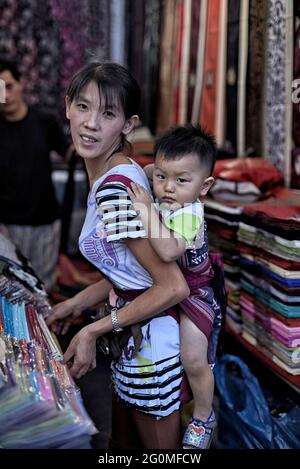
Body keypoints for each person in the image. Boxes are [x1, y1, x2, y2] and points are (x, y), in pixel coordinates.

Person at [46, 61, 190, 449]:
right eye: (83, 106)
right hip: (137, 341)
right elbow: (130, 272)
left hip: (154, 348)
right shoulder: (120, 170)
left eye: (107, 113)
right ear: (67, 106)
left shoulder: (113, 190)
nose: (90, 123)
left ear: (128, 124)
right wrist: (76, 302)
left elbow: (171, 286)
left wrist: (93, 327)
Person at [127, 124, 221, 449]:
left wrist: (144, 208)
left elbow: (168, 250)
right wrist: (153, 171)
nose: (168, 187)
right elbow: (154, 167)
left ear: (204, 185)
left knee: (192, 358)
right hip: (166, 287)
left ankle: (204, 416)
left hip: (195, 293)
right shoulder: (168, 190)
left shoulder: (190, 212)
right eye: (162, 177)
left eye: (182, 180)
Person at [0, 58, 72, 292]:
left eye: (8, 86)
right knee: (11, 289)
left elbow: (69, 154)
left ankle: (44, 330)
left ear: (21, 84)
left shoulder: (44, 122)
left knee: (43, 287)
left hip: (44, 220)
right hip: (6, 224)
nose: (5, 95)